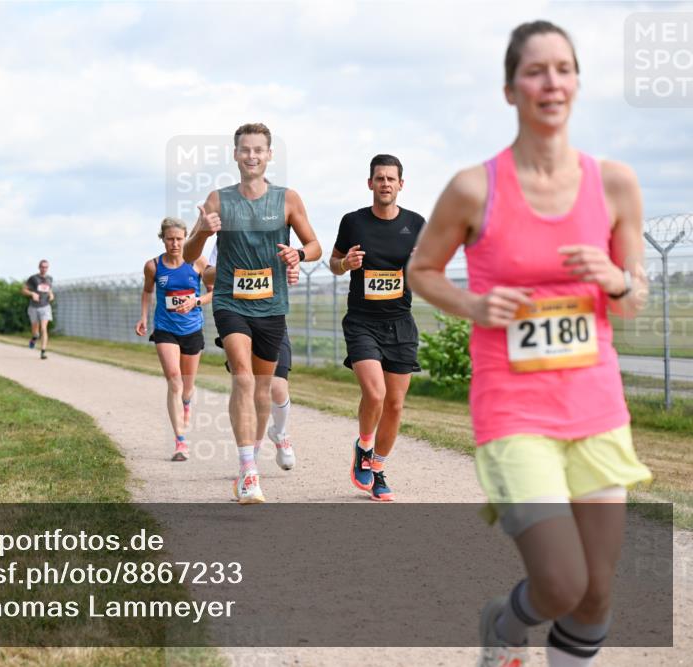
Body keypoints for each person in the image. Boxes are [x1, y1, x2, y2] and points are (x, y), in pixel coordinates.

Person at [407, 21, 651, 667]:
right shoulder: (474, 188)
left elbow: (632, 301)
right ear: (510, 89)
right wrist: (474, 305)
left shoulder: (616, 184)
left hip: (596, 407)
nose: (552, 83)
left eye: (563, 69)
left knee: (596, 594)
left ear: (577, 83)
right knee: (562, 582)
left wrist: (616, 279)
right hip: (514, 412)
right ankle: (504, 622)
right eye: (536, 71)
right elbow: (421, 270)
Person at [183, 123, 320, 504]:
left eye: (259, 150)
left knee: (262, 387)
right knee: (242, 378)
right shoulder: (218, 199)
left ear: (269, 155)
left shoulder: (287, 199)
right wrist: (203, 231)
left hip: (272, 305)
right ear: (235, 155)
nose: (252, 156)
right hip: (230, 301)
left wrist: (298, 254)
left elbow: (314, 245)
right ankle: (248, 471)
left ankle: (254, 456)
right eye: (245, 150)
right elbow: (191, 255)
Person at [329, 154, 426, 502]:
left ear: (401, 184)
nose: (385, 184)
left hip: (400, 323)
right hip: (362, 322)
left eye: (391, 178)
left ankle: (378, 469)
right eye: (380, 178)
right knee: (375, 394)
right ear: (370, 183)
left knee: (395, 406)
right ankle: (365, 448)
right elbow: (333, 263)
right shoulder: (353, 222)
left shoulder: (416, 223)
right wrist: (345, 263)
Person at [205, 245, 297, 471]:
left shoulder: (273, 237)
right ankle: (250, 456)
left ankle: (279, 432)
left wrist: (292, 269)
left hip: (271, 320)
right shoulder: (226, 240)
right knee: (247, 385)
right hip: (238, 318)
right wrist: (232, 268)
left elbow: (293, 264)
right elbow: (208, 276)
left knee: (277, 388)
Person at [135, 218, 213, 461]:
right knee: (174, 381)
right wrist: (143, 317)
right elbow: (147, 291)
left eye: (179, 239)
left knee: (187, 388)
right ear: (163, 239)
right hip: (165, 328)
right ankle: (180, 442)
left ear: (185, 238)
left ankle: (186, 403)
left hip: (192, 329)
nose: (175, 244)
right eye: (170, 239)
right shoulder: (153, 266)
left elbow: (213, 292)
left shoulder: (198, 262)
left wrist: (195, 301)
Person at [23, 259, 54, 360]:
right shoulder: (33, 278)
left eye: (46, 267)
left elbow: (49, 290)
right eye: (42, 267)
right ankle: (34, 338)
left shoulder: (50, 278)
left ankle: (43, 352)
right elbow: (23, 290)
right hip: (34, 307)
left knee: (44, 328)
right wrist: (32, 293)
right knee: (36, 332)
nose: (44, 269)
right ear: (39, 267)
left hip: (45, 307)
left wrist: (51, 295)